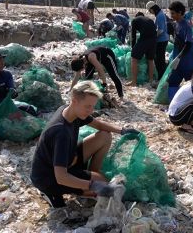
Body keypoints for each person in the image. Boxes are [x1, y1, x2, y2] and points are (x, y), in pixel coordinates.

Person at [30, 80, 139, 208]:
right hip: (50, 178)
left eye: (93, 106)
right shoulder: (61, 132)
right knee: (104, 184)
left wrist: (122, 130)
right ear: (74, 101)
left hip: (69, 161)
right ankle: (54, 192)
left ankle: (90, 176)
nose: (91, 110)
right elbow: (61, 177)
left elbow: (98, 124)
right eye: (88, 106)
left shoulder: (70, 111)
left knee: (104, 135)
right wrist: (92, 185)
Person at [167, 1, 193, 101]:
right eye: (170, 13)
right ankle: (173, 104)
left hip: (187, 60)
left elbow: (188, 44)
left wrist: (179, 57)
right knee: (172, 80)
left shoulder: (186, 26)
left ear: (180, 13)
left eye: (173, 13)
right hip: (177, 58)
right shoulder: (176, 24)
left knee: (191, 83)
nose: (171, 16)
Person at [127, 15, 156, 86]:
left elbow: (133, 35)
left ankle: (134, 82)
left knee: (134, 58)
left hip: (145, 38)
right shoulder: (148, 19)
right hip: (154, 39)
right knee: (150, 59)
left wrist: (133, 48)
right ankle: (151, 80)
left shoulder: (134, 20)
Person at [146, 1, 169, 82]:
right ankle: (161, 76)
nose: (150, 12)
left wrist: (153, 37)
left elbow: (161, 30)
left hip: (162, 40)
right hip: (161, 40)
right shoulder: (159, 14)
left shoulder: (160, 16)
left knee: (160, 59)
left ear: (153, 9)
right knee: (159, 59)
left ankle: (161, 77)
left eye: (150, 10)